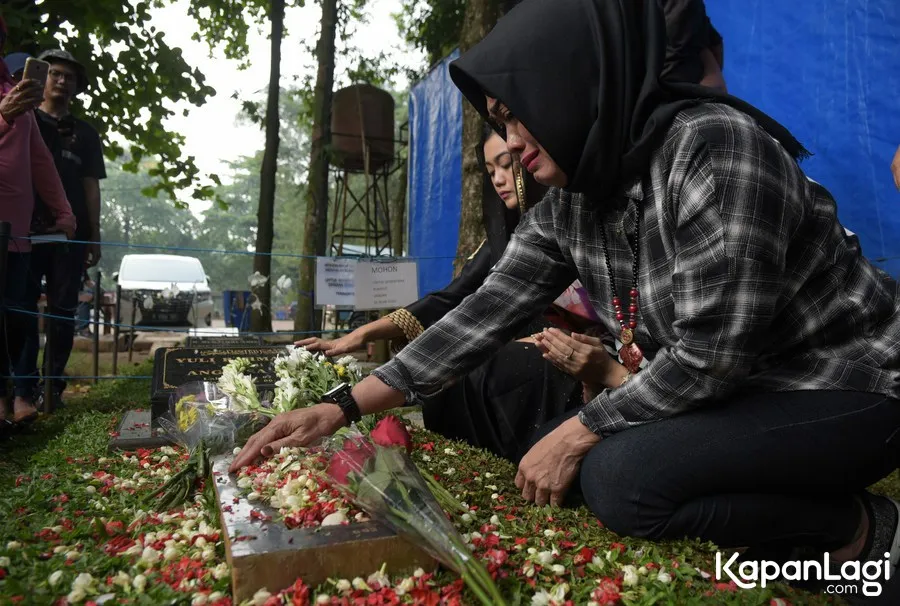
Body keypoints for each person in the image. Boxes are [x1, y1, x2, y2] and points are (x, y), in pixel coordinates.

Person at [235, 0, 900, 583]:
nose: (513, 143)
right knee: (599, 467)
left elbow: (709, 359)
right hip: (748, 388)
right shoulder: (573, 197)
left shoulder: (713, 147)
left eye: (518, 118)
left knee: (619, 479)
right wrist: (340, 407)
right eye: (500, 122)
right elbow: (486, 310)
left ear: (574, 84)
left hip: (849, 384)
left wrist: (579, 432)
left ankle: (857, 532)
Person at [297, 124, 617, 460]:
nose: (497, 179)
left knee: (493, 368)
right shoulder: (508, 239)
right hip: (530, 345)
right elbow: (459, 299)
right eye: (490, 170)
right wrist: (362, 336)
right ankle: (470, 465)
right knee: (447, 374)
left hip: (596, 356)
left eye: (507, 165)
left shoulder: (580, 218)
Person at [0, 17, 76, 425]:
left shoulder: (19, 98)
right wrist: (3, 117)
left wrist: (64, 211)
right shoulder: (11, 105)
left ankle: (17, 396)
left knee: (16, 317)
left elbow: (40, 162)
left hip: (15, 235)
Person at [20, 49, 105, 408]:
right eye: (54, 73)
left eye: (68, 76)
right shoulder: (23, 121)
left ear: (76, 85)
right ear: (42, 77)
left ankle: (53, 385)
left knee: (63, 310)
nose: (61, 80)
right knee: (21, 307)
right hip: (24, 228)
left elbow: (91, 186)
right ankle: (22, 386)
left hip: (72, 234)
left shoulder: (85, 133)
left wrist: (94, 233)